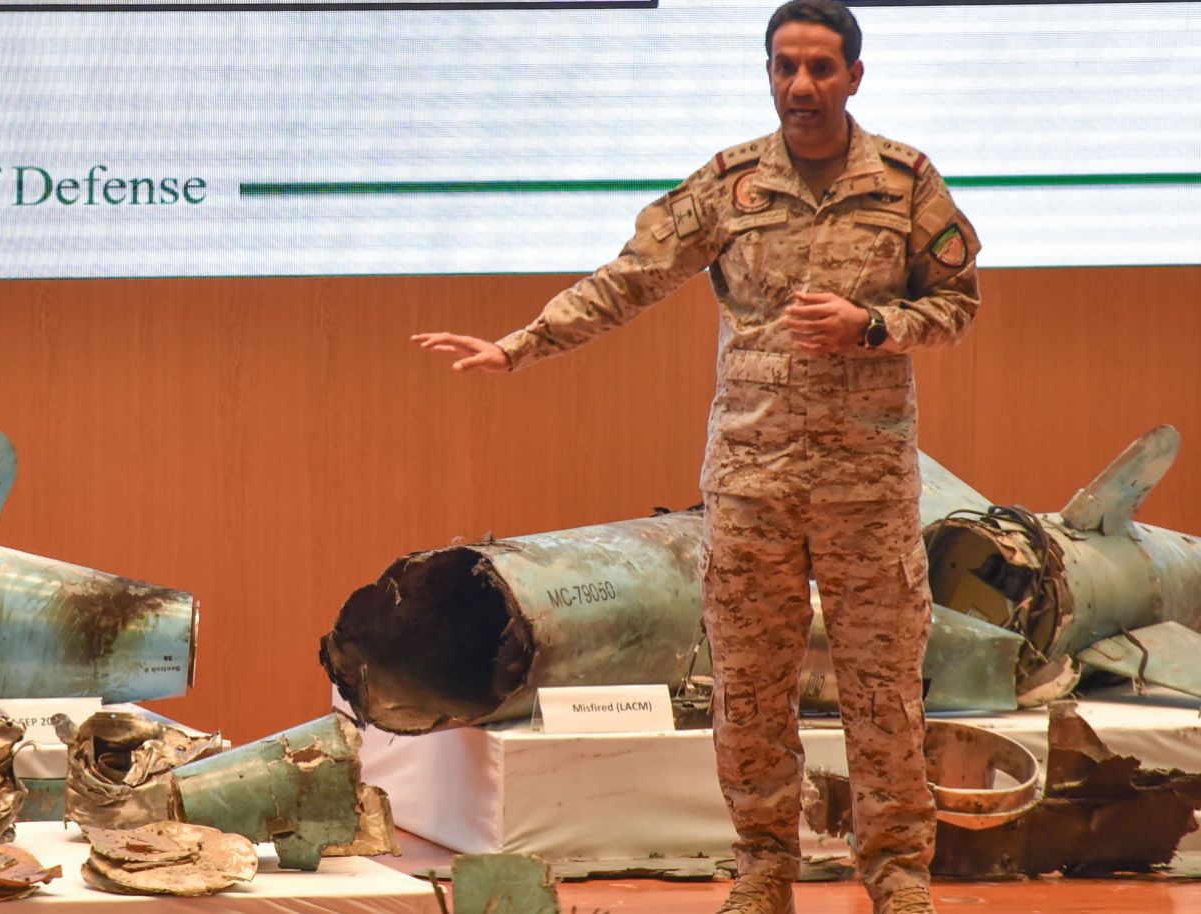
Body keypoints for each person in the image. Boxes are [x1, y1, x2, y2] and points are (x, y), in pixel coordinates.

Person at [412, 2, 979, 912]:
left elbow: (957, 304)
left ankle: (897, 870)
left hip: (866, 487)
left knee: (883, 689)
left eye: (822, 68)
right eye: (785, 67)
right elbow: (630, 277)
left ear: (854, 77)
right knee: (749, 688)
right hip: (752, 480)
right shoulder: (731, 184)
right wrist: (520, 345)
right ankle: (763, 866)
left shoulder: (907, 182)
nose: (802, 85)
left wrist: (874, 325)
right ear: (768, 74)